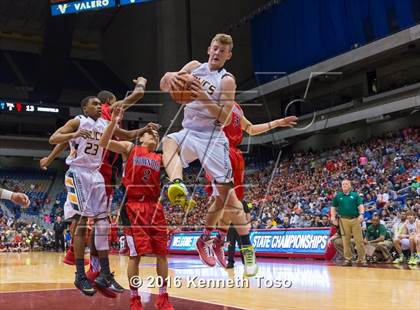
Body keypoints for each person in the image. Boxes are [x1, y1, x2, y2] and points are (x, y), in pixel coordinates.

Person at [160, 33, 257, 277]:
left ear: (228, 56)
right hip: (190, 131)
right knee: (168, 141)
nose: (216, 53)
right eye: (214, 49)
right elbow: (164, 85)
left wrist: (202, 96)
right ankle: (177, 183)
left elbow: (224, 118)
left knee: (226, 199)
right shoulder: (194, 68)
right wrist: (170, 76)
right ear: (208, 48)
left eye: (221, 51)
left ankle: (210, 240)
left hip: (213, 137)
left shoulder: (226, 81)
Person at [204, 102, 297, 267]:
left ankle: (219, 239)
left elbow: (251, 129)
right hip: (220, 150)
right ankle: (205, 239)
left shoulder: (237, 107)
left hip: (236, 154)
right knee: (221, 199)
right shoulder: (213, 100)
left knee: (232, 203)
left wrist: (278, 122)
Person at [99, 104, 173, 310]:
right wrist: (114, 123)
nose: (155, 136)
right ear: (141, 137)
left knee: (162, 253)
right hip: (132, 207)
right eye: (151, 133)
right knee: (135, 255)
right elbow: (103, 142)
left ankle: (163, 296)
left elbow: (178, 162)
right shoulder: (130, 148)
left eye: (157, 134)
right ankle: (134, 298)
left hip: (154, 208)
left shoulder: (161, 158)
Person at [49, 96, 125, 296]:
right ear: (85, 108)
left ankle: (105, 273)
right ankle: (80, 275)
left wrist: (142, 131)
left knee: (102, 225)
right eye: (95, 104)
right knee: (81, 224)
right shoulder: (78, 121)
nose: (100, 107)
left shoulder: (104, 124)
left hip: (96, 174)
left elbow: (124, 133)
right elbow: (53, 138)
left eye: (101, 104)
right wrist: (74, 134)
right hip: (78, 172)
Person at [331, 179, 367, 266]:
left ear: (350, 186)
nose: (344, 185)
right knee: (345, 241)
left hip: (355, 219)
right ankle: (348, 259)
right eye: (343, 184)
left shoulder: (355, 195)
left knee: (359, 241)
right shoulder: (338, 196)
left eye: (346, 184)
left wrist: (362, 214)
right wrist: (332, 217)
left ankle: (362, 259)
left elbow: (360, 205)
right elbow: (333, 207)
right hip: (343, 220)